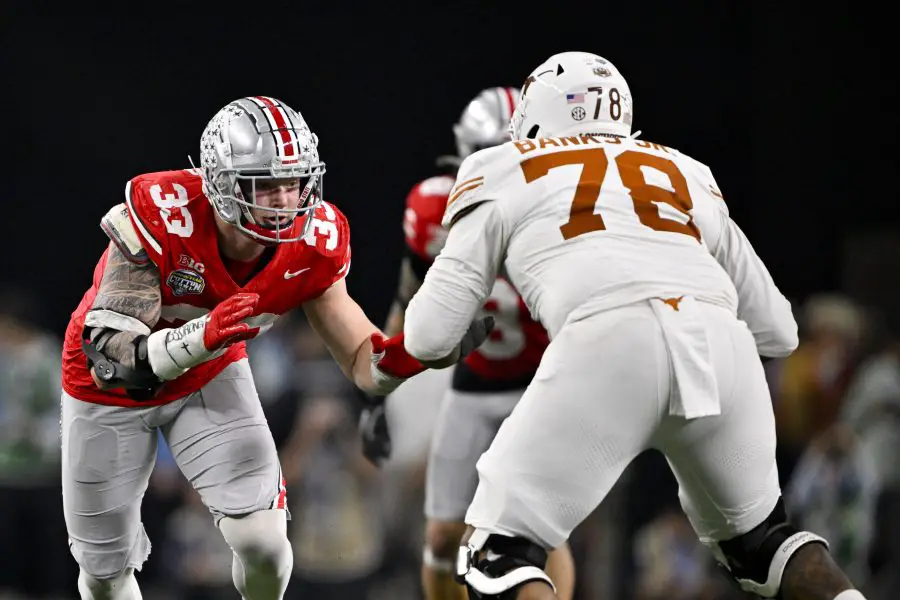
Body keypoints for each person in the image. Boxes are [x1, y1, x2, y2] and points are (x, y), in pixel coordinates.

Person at [402, 52, 869, 600]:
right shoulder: (686, 170)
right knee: (764, 545)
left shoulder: (498, 166)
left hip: (607, 339)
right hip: (721, 345)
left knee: (497, 554)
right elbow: (778, 331)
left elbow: (427, 337)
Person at [60, 96, 491, 600]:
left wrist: (413, 355)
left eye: (294, 182)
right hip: (105, 393)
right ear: (221, 183)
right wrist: (200, 335)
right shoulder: (164, 212)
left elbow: (362, 361)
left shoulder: (316, 241)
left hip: (208, 374)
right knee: (106, 570)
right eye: (266, 184)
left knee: (265, 543)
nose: (286, 200)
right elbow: (114, 359)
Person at [361, 87, 576, 600]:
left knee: (537, 531)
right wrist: (376, 395)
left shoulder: (565, 211)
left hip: (543, 387)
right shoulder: (434, 207)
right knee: (440, 539)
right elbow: (405, 300)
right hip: (473, 383)